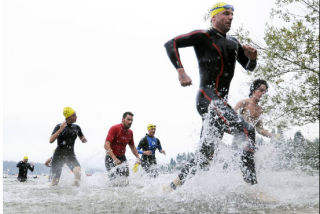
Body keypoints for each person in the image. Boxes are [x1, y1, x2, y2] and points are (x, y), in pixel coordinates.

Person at [164, 2, 258, 190]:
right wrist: (181, 71)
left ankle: (171, 187)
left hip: (220, 102)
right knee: (247, 131)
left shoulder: (234, 43)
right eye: (225, 14)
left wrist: (253, 58)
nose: (230, 17)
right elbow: (171, 43)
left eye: (232, 15)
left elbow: (248, 67)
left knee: (205, 156)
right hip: (207, 97)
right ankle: (252, 188)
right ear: (213, 17)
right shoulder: (203, 36)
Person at [49, 107, 87, 186]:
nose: (76, 116)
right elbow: (51, 140)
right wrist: (60, 129)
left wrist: (83, 139)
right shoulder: (59, 126)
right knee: (55, 182)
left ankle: (73, 193)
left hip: (70, 154)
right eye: (74, 115)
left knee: (78, 172)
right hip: (59, 155)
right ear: (68, 117)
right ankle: (52, 196)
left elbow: (81, 137)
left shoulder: (76, 127)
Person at [233, 79, 275, 149]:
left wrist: (273, 135)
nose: (262, 93)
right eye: (261, 90)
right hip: (239, 141)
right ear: (253, 90)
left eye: (264, 92)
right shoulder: (243, 103)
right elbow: (232, 118)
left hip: (251, 140)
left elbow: (260, 129)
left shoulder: (260, 110)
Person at [104, 112, 141, 181]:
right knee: (114, 182)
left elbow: (132, 147)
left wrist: (138, 157)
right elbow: (106, 145)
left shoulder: (130, 132)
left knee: (125, 181)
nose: (130, 122)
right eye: (128, 119)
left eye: (131, 120)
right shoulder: (114, 128)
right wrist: (114, 159)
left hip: (122, 158)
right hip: (110, 158)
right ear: (123, 119)